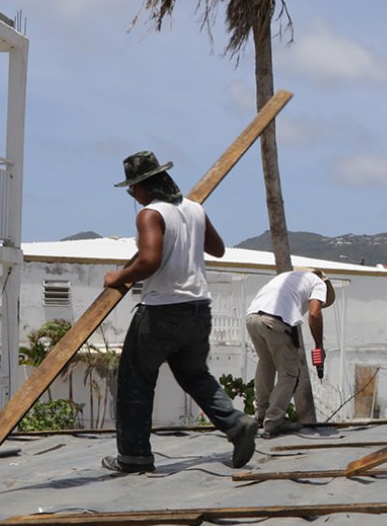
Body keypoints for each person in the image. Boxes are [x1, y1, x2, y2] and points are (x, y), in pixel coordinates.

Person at [101, 151, 257, 473]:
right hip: (198, 309)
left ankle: (134, 458)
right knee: (195, 374)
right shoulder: (195, 210)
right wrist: (186, 237)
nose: (133, 195)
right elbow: (217, 248)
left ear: (144, 186)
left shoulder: (150, 214)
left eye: (133, 189)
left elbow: (149, 261)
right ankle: (236, 424)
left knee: (135, 382)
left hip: (161, 311)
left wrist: (118, 277)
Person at [244, 268, 335, 438]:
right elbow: (315, 314)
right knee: (289, 372)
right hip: (274, 320)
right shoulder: (318, 283)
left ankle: (260, 415)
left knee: (266, 363)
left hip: (252, 317)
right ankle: (273, 422)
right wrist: (319, 345)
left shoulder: (288, 277)